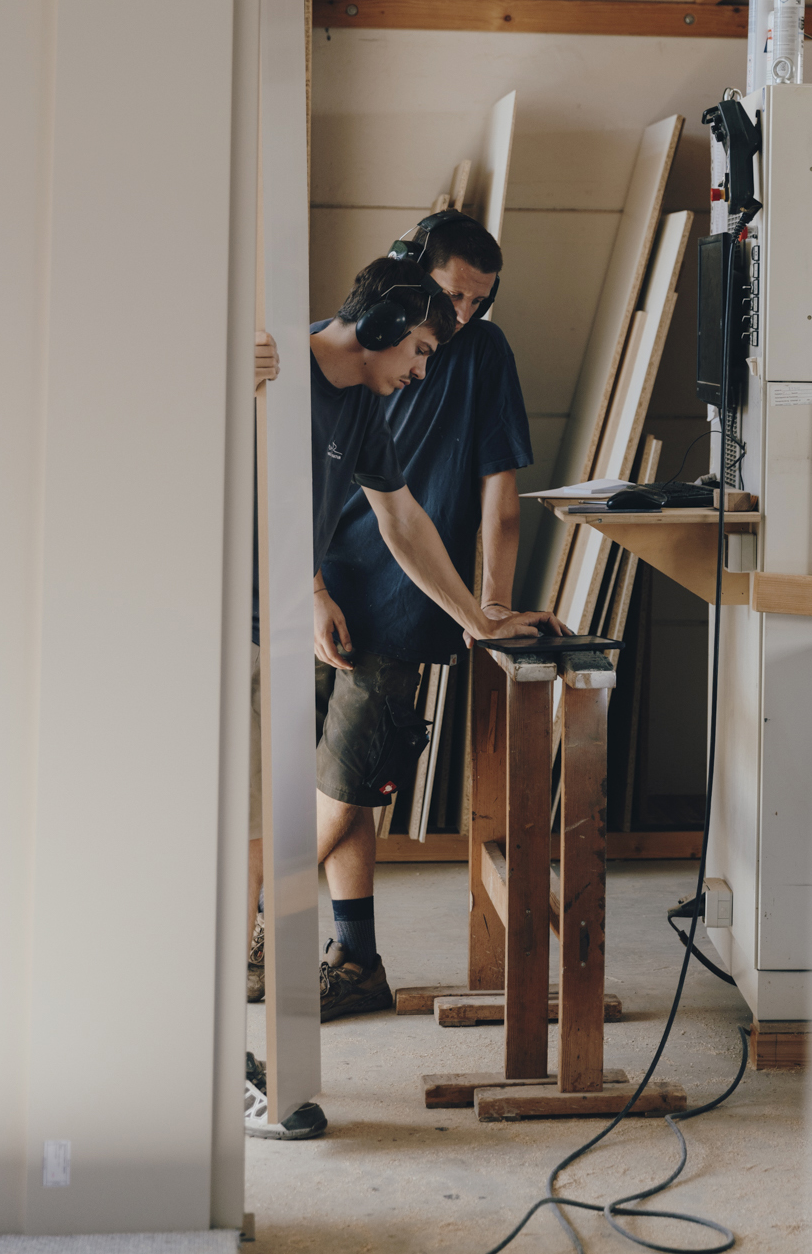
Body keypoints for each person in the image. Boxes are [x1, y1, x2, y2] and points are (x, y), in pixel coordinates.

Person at [248, 258, 563, 1033]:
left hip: (286, 622)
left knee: (306, 799)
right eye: (419, 348)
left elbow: (402, 519)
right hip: (237, 632)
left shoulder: (359, 405)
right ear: (383, 325)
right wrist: (222, 365)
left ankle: (328, 956)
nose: (423, 369)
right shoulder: (272, 373)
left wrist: (478, 617)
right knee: (259, 818)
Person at [310, 211, 536, 1021]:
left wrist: (487, 608)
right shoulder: (337, 356)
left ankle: (254, 912)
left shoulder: (475, 355)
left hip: (406, 596)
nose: (462, 316)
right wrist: (310, 587)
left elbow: (481, 500)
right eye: (450, 297)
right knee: (322, 785)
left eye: (479, 301)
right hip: (320, 586)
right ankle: (353, 955)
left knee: (344, 786)